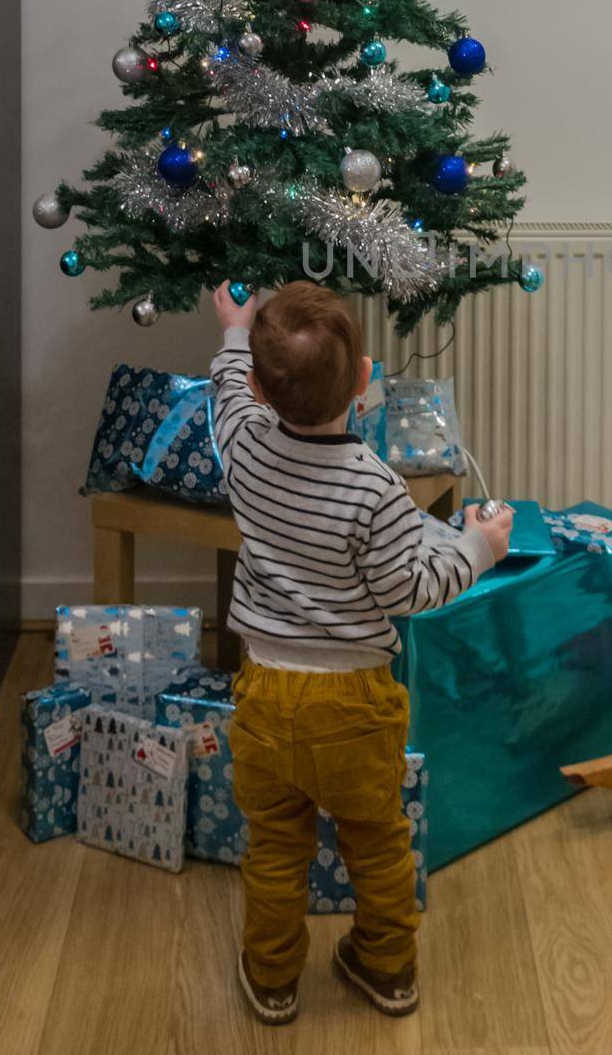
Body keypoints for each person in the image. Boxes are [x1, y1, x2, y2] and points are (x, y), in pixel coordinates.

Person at [210, 280, 512, 1024]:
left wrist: (233, 328)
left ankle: (274, 980)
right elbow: (408, 588)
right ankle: (387, 968)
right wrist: (479, 547)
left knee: (275, 846)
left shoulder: (242, 446)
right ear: (363, 381)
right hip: (353, 704)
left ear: (258, 385)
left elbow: (228, 391)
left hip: (265, 695)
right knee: (375, 841)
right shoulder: (375, 489)